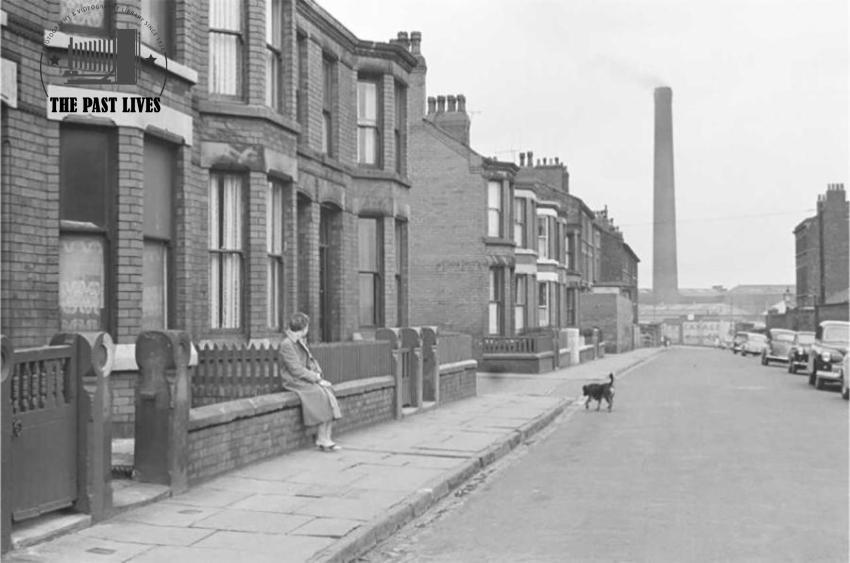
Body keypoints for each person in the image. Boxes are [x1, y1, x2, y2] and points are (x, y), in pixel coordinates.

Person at [278, 312, 342, 452]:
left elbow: (309, 361)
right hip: (294, 381)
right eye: (307, 326)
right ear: (303, 328)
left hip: (304, 379)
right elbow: (295, 370)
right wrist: (317, 379)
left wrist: (318, 375)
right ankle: (322, 438)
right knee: (320, 393)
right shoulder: (287, 344)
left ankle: (326, 437)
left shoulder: (300, 341)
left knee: (328, 392)